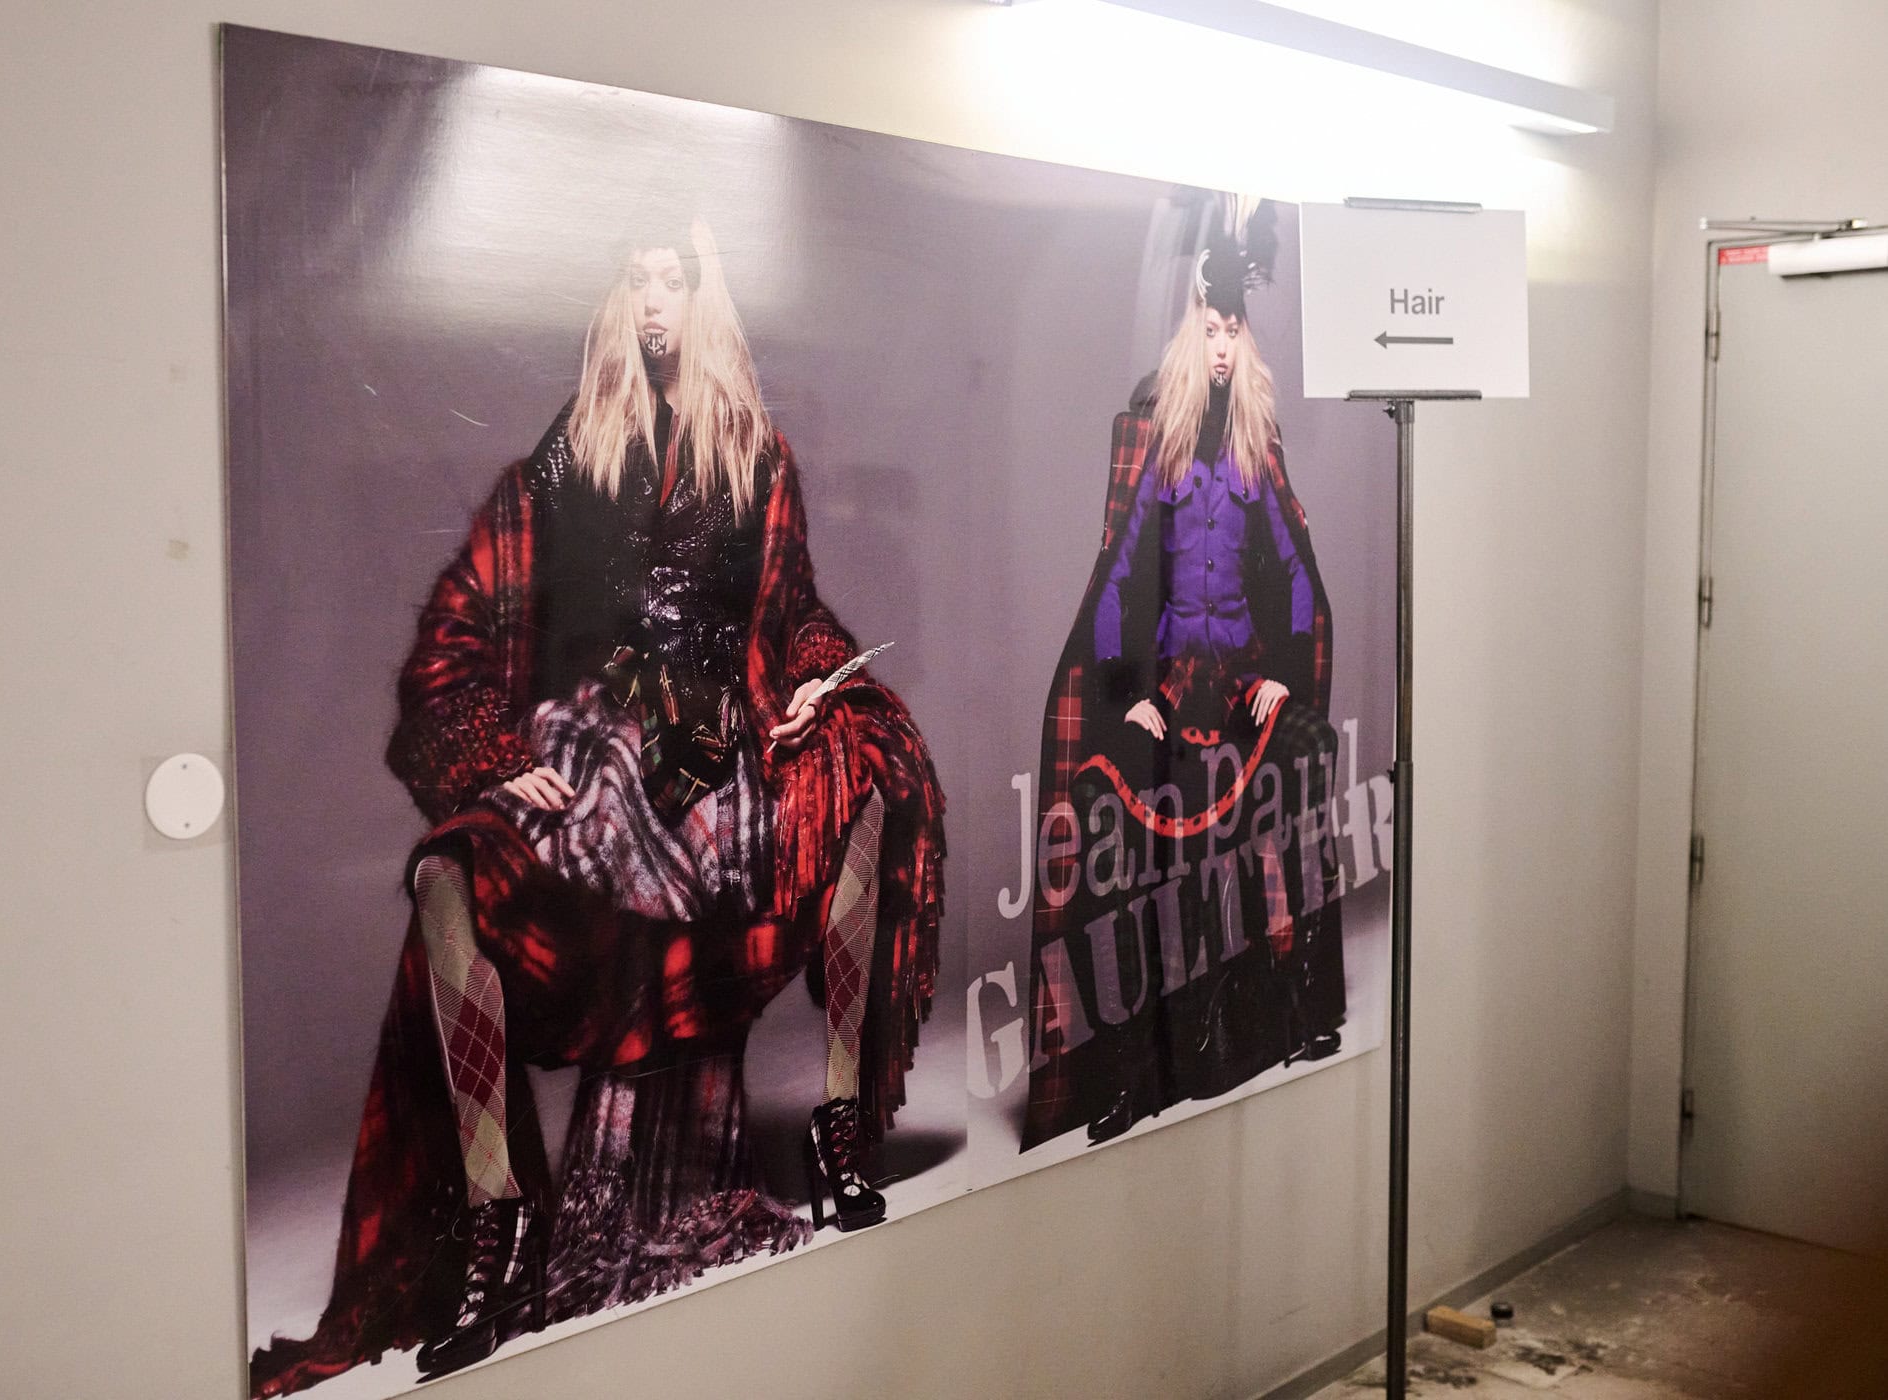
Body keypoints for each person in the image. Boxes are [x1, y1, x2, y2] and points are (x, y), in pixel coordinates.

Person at [251, 217, 944, 1396]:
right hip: (600, 747)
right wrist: (489, 752)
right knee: (446, 874)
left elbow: (794, 615)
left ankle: (834, 1125)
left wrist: (813, 682)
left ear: (706, 297)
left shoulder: (759, 455)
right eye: (639, 280)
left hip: (726, 750)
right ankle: (499, 1211)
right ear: (620, 300)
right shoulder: (570, 454)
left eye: (676, 279)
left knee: (867, 780)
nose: (656, 301)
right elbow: (460, 623)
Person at [1021, 205, 1344, 1152]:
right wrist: (1129, 699)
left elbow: (1293, 574)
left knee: (1310, 755)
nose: (1223, 344)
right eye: (1210, 328)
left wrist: (1285, 679)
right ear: (1189, 333)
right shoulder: (1152, 439)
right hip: (1164, 691)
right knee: (1109, 820)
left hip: (1239, 687)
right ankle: (1127, 1066)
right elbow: (1120, 577)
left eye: (1235, 329)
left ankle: (1298, 1008)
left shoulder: (1256, 444)